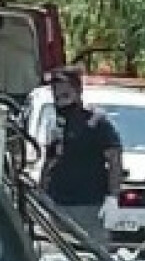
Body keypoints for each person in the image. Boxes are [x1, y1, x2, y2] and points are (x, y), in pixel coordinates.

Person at [40, 67, 124, 244]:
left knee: (92, 260)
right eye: (56, 94)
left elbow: (114, 158)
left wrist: (113, 196)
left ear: (78, 91)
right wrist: (42, 194)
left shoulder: (95, 121)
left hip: (89, 204)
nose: (60, 99)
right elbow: (49, 161)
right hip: (58, 205)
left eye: (65, 92)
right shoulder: (56, 123)